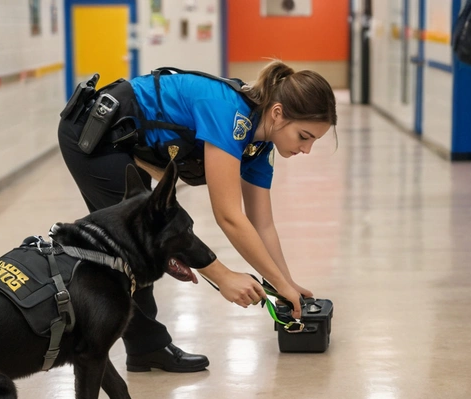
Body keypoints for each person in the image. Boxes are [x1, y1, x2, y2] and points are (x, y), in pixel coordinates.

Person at [57, 60, 337, 373]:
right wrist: (223, 276)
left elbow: (262, 224)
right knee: (136, 242)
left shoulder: (259, 145)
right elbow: (229, 216)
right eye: (304, 136)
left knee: (141, 244)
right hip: (96, 134)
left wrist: (285, 284)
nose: (307, 149)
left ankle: (145, 348)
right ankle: (128, 343)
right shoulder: (229, 114)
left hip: (128, 142)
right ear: (277, 113)